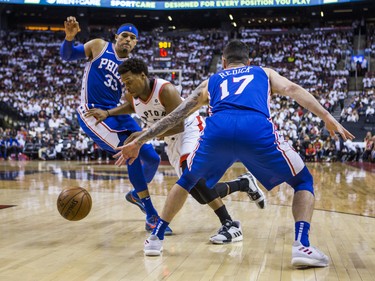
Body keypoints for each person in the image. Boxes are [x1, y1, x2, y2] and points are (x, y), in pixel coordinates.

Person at [114, 40, 354, 267]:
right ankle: (302, 245)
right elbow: (292, 88)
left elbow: (176, 115)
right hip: (255, 128)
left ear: (225, 63)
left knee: (187, 180)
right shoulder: (264, 72)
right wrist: (327, 117)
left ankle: (155, 240)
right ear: (248, 62)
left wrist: (140, 140)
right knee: (303, 181)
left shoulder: (213, 79)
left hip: (219, 129)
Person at [85, 58, 266, 244]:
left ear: (142, 75)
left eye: (129, 81)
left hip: (189, 129)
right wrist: (108, 113)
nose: (127, 87)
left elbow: (177, 125)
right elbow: (132, 106)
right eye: (124, 83)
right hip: (169, 140)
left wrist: (143, 135)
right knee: (200, 193)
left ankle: (229, 223)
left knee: (191, 172)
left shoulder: (165, 90)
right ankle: (243, 183)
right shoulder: (132, 95)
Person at [59, 16, 169, 234]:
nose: (128, 40)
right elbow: (68, 55)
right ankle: (151, 215)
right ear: (116, 37)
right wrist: (69, 38)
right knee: (131, 151)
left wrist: (112, 111)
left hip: (112, 113)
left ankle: (137, 194)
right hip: (92, 112)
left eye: (132, 38)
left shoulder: (131, 68)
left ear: (136, 43)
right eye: (125, 35)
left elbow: (131, 104)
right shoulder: (99, 46)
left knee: (153, 158)